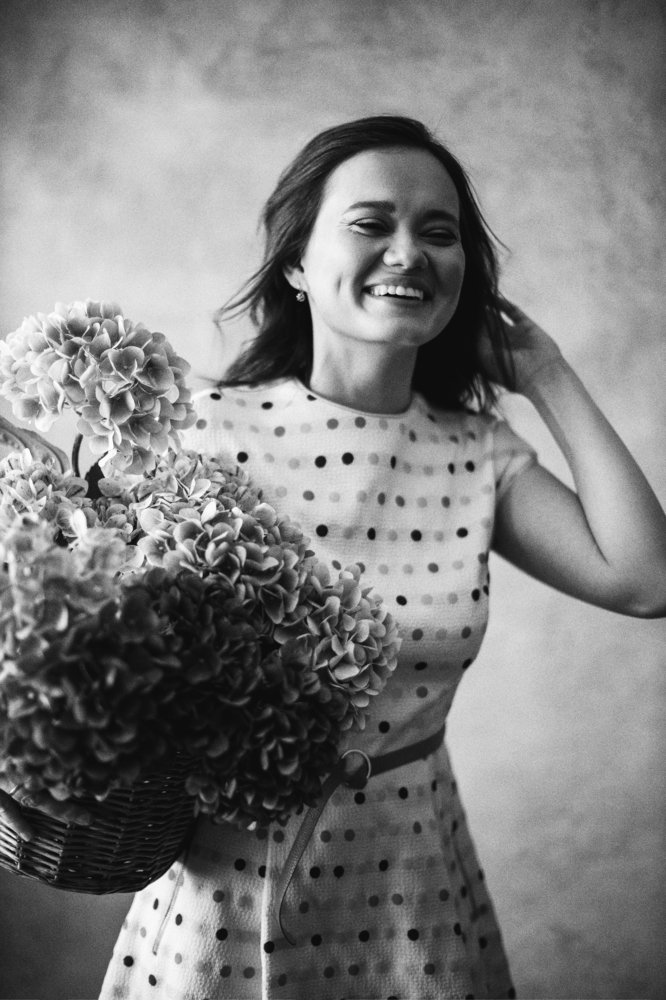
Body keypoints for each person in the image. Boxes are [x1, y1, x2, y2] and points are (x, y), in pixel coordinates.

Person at [3, 115, 666, 999]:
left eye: (440, 232)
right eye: (371, 224)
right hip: (223, 893)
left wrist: (545, 373)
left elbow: (646, 581)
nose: (409, 252)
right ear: (296, 264)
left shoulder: (479, 455)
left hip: (411, 882)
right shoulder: (197, 432)